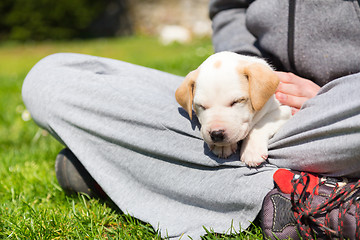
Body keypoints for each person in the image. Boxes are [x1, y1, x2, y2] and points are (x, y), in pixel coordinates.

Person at [22, 0, 360, 239]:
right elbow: (230, 8)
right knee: (50, 79)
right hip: (244, 78)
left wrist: (334, 94)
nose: (212, 128)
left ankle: (142, 167)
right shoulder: (215, 99)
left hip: (339, 107)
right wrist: (238, 67)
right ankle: (301, 190)